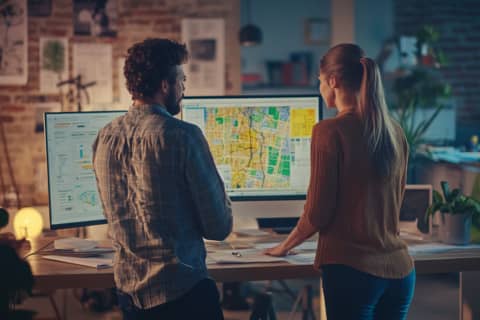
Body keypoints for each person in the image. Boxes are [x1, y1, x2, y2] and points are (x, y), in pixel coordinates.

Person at [265, 43, 415, 320]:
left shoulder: (329, 131)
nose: (320, 88)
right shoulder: (394, 130)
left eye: (320, 81)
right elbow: (397, 197)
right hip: (401, 272)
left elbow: (318, 213)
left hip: (353, 272)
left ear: (332, 81)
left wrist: (284, 246)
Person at [92, 38, 232, 320]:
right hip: (183, 296)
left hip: (130, 299)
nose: (184, 87)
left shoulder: (103, 138)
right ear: (165, 85)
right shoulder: (183, 137)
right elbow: (219, 227)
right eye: (181, 79)